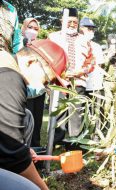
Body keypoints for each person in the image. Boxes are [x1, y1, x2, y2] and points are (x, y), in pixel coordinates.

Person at [0, 39, 67, 189]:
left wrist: (22, 149)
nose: (45, 87)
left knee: (27, 116)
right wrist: (43, 188)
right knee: (30, 188)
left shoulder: (6, 63)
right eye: (46, 80)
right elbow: (13, 156)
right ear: (31, 61)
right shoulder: (8, 77)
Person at [49, 8, 92, 141]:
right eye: (69, 21)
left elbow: (91, 61)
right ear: (62, 21)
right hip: (58, 82)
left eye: (75, 22)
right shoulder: (53, 37)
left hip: (78, 82)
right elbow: (47, 58)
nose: (72, 25)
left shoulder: (84, 39)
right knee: (58, 111)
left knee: (76, 112)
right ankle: (57, 140)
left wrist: (82, 71)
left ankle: (75, 141)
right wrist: (59, 73)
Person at [21, 18, 45, 147]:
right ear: (23, 29)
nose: (33, 31)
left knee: (37, 122)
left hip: (39, 89)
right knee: (25, 120)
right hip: (23, 88)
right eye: (30, 27)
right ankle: (23, 151)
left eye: (36, 29)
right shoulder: (17, 45)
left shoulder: (41, 47)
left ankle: (37, 156)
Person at [79, 17, 105, 135]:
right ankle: (83, 134)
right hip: (81, 85)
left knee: (96, 111)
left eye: (93, 29)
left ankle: (97, 134)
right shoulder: (75, 45)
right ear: (81, 29)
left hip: (95, 85)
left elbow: (100, 65)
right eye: (88, 29)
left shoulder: (97, 47)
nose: (91, 31)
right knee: (82, 112)